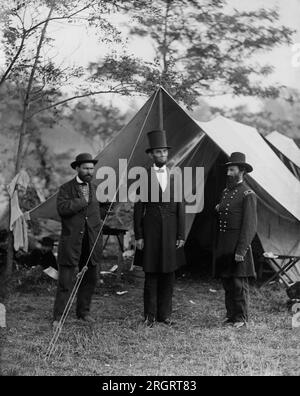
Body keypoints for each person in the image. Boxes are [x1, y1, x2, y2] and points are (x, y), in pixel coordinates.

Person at [134, 130, 185, 327]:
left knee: (169, 275)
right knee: (151, 274)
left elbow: (181, 207)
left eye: (164, 152)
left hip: (172, 232)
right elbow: (139, 208)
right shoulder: (143, 177)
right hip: (151, 232)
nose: (162, 155)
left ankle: (166, 315)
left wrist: (181, 233)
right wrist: (139, 235)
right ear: (151, 155)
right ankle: (150, 316)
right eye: (158, 152)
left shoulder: (175, 175)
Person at [52, 153, 105, 329]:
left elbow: (96, 214)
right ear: (77, 168)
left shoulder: (95, 188)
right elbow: (62, 209)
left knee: (90, 278)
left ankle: (83, 312)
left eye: (91, 168)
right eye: (86, 168)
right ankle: (58, 317)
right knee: (65, 281)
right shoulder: (66, 188)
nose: (90, 171)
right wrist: (82, 201)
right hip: (72, 242)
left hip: (90, 242)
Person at [215, 152, 257, 329]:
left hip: (238, 244)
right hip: (224, 243)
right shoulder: (226, 192)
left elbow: (250, 226)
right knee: (227, 281)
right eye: (228, 169)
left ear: (241, 171)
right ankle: (231, 315)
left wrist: (241, 250)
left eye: (232, 170)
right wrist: (218, 208)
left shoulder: (248, 194)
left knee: (238, 282)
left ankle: (241, 318)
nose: (228, 173)